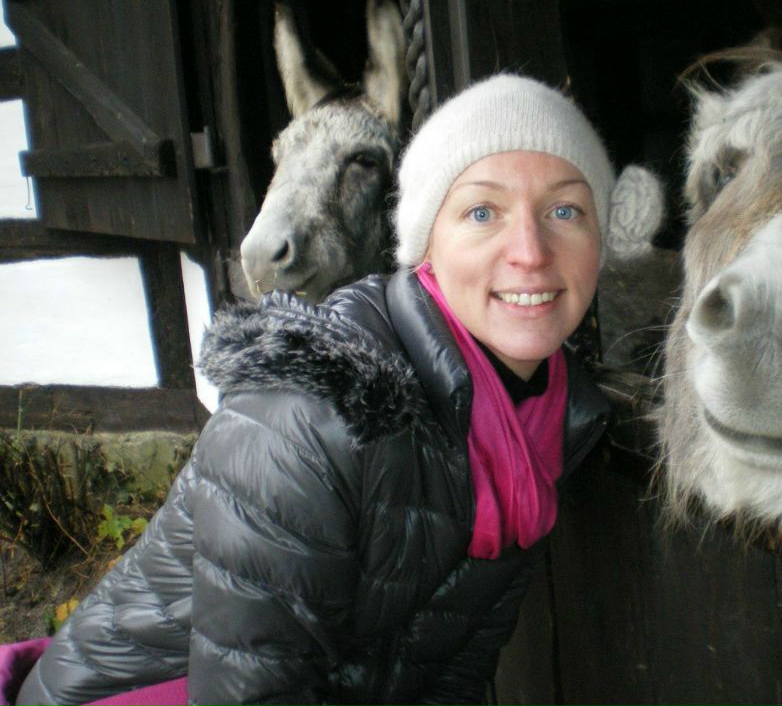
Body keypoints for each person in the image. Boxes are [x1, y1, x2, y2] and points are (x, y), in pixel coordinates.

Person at [13, 74, 618, 705]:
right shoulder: (306, 413)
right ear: (424, 241)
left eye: (565, 210)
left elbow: (454, 666)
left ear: (601, 240)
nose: (529, 252)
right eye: (482, 212)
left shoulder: (542, 423)